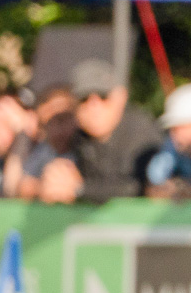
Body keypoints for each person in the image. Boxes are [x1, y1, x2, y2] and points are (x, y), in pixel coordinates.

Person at [62, 59, 163, 202]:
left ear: (121, 96)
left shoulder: (142, 133)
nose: (93, 106)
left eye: (103, 96)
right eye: (83, 98)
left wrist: (80, 190)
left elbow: (143, 189)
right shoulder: (79, 139)